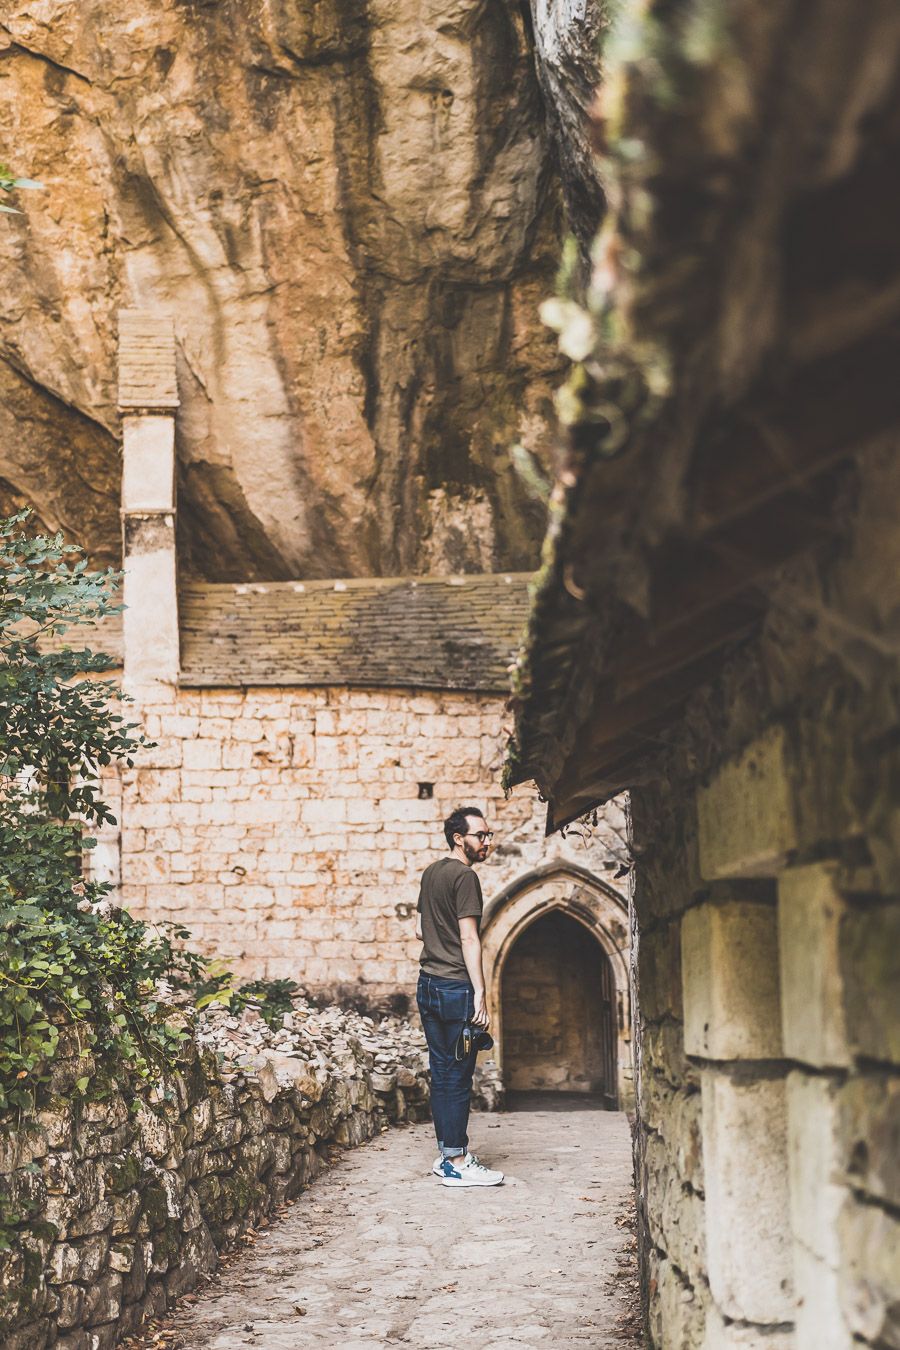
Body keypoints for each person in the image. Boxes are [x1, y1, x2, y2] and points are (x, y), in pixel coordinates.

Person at [415, 805, 504, 1187]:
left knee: (442, 1072)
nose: (487, 841)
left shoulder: (431, 873)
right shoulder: (464, 877)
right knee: (457, 1076)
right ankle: (456, 1160)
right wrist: (480, 994)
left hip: (428, 983)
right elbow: (470, 937)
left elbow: (419, 930)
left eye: (488, 834)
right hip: (454, 987)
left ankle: (447, 1153)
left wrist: (439, 937)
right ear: (459, 838)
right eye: (480, 835)